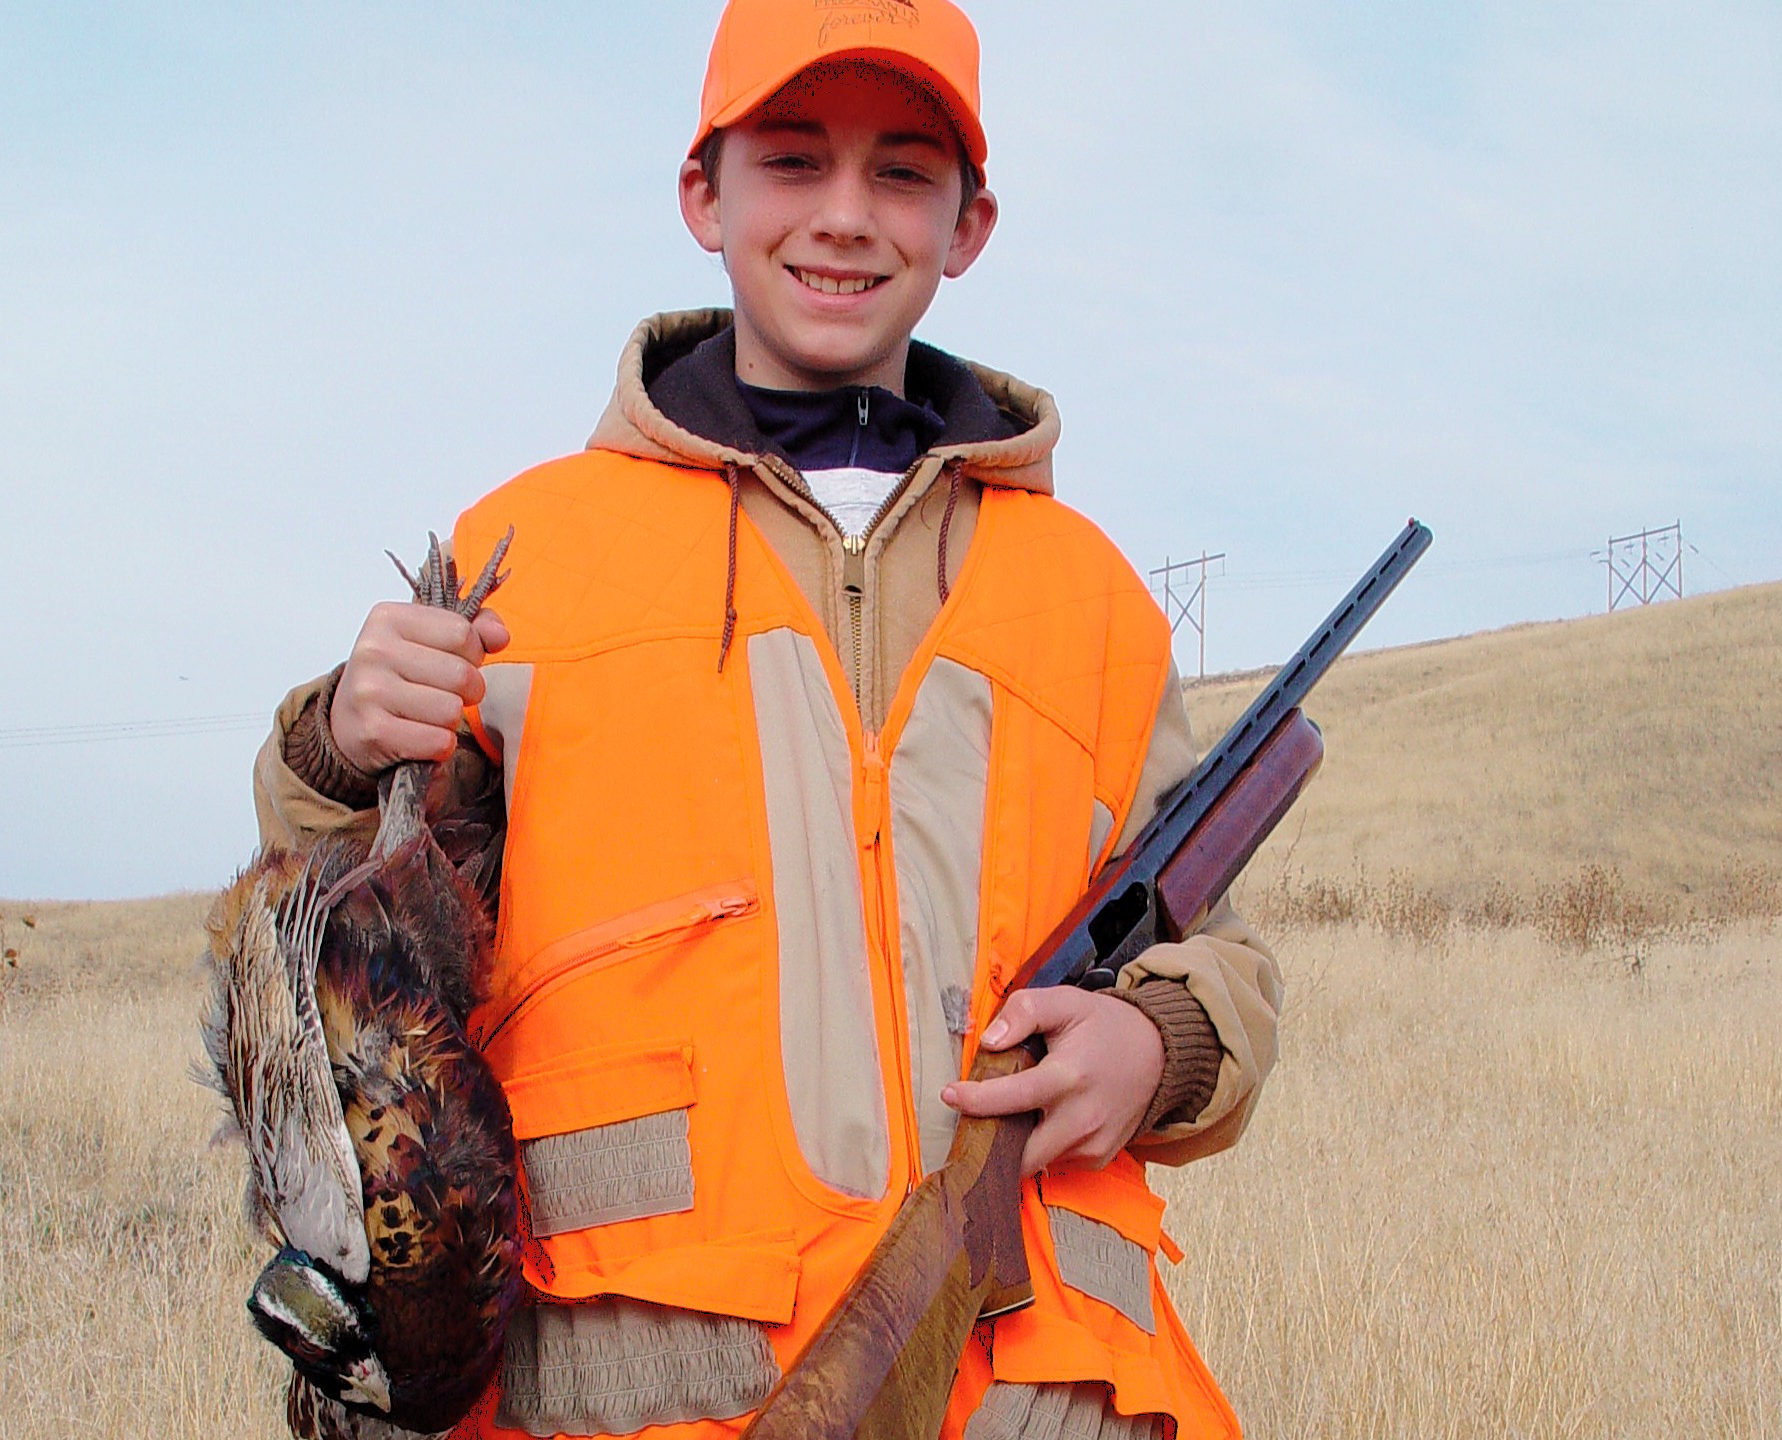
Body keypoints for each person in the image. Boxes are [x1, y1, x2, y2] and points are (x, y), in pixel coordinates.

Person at [253, 3, 1280, 1436]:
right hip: (642, 1402)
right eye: (794, 161)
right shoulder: (526, 551)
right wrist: (337, 745)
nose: (847, 217)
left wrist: (1158, 1043)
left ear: (971, 223)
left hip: (1039, 1405)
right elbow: (340, 942)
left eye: (904, 172)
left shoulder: (1091, 597)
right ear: (704, 195)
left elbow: (1215, 953)